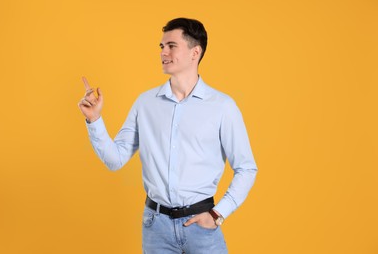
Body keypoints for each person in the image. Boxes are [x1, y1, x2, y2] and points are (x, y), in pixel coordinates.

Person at [78, 17, 257, 254]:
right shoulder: (145, 103)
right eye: (162, 46)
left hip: (201, 226)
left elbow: (246, 168)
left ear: (195, 52)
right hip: (156, 227)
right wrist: (94, 120)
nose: (163, 52)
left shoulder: (222, 106)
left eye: (172, 45)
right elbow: (115, 159)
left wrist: (217, 213)